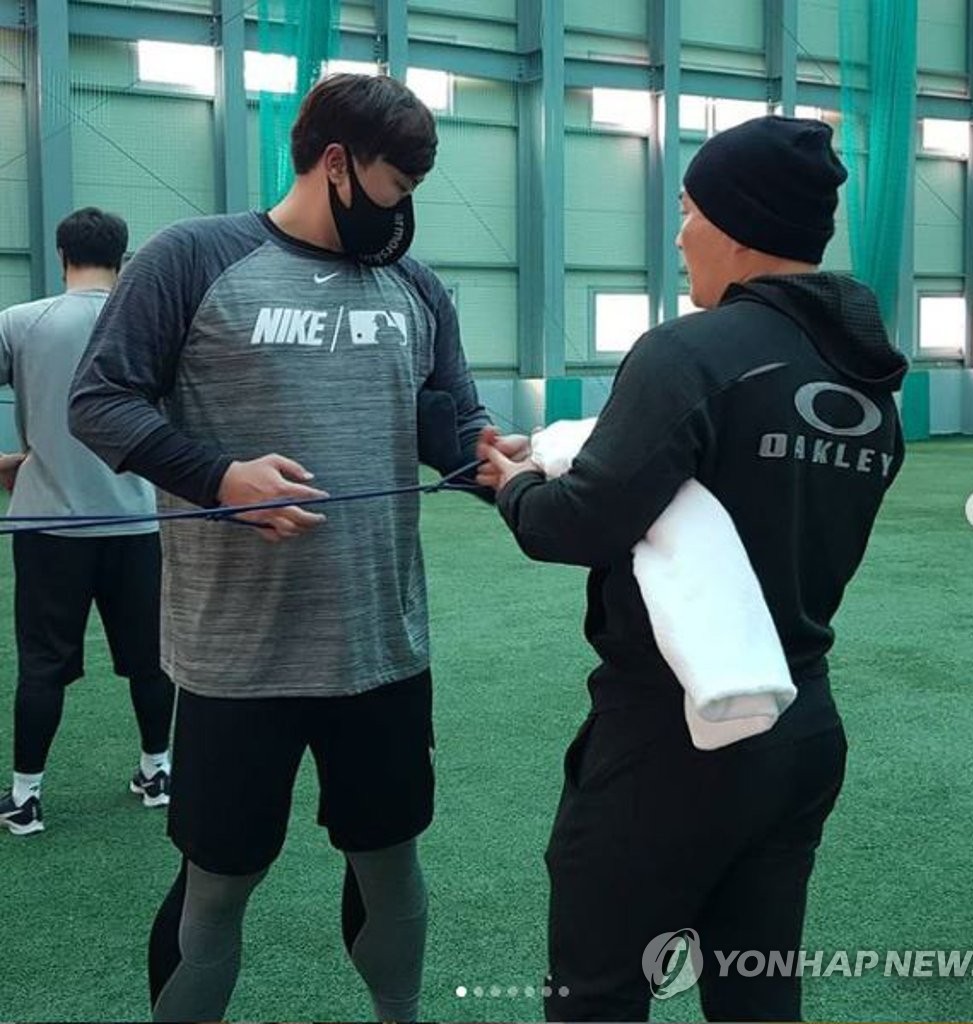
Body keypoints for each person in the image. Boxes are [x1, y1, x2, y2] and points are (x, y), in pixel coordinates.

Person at [69, 74, 491, 1023]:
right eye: (396, 181)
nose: (405, 207)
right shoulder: (193, 258)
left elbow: (449, 420)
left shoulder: (413, 284)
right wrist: (219, 480)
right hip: (236, 661)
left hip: (381, 650)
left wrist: (489, 455)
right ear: (335, 162)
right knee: (218, 883)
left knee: (389, 863)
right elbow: (99, 401)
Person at [478, 116, 908, 1022]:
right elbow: (723, 480)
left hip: (673, 732)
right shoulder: (864, 382)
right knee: (756, 997)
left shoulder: (688, 350)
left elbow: (579, 523)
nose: (678, 236)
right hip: (799, 725)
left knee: (597, 991)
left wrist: (513, 482)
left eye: (687, 209)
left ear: (735, 222)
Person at [0, 207, 175, 837]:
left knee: (42, 664)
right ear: (124, 259)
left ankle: (25, 799)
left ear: (59, 255)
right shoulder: (155, 322)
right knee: (152, 660)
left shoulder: (21, 322)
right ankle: (158, 773)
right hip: (138, 525)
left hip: (48, 529)